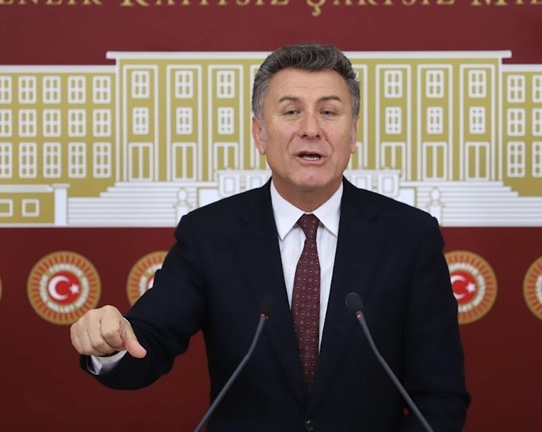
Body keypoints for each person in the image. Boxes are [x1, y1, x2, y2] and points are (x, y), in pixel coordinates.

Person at [70, 42, 470, 431]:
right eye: (291, 111)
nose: (311, 129)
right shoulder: (210, 234)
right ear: (259, 134)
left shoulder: (409, 236)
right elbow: (148, 343)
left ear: (352, 135)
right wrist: (113, 344)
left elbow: (440, 398)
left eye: (329, 112)